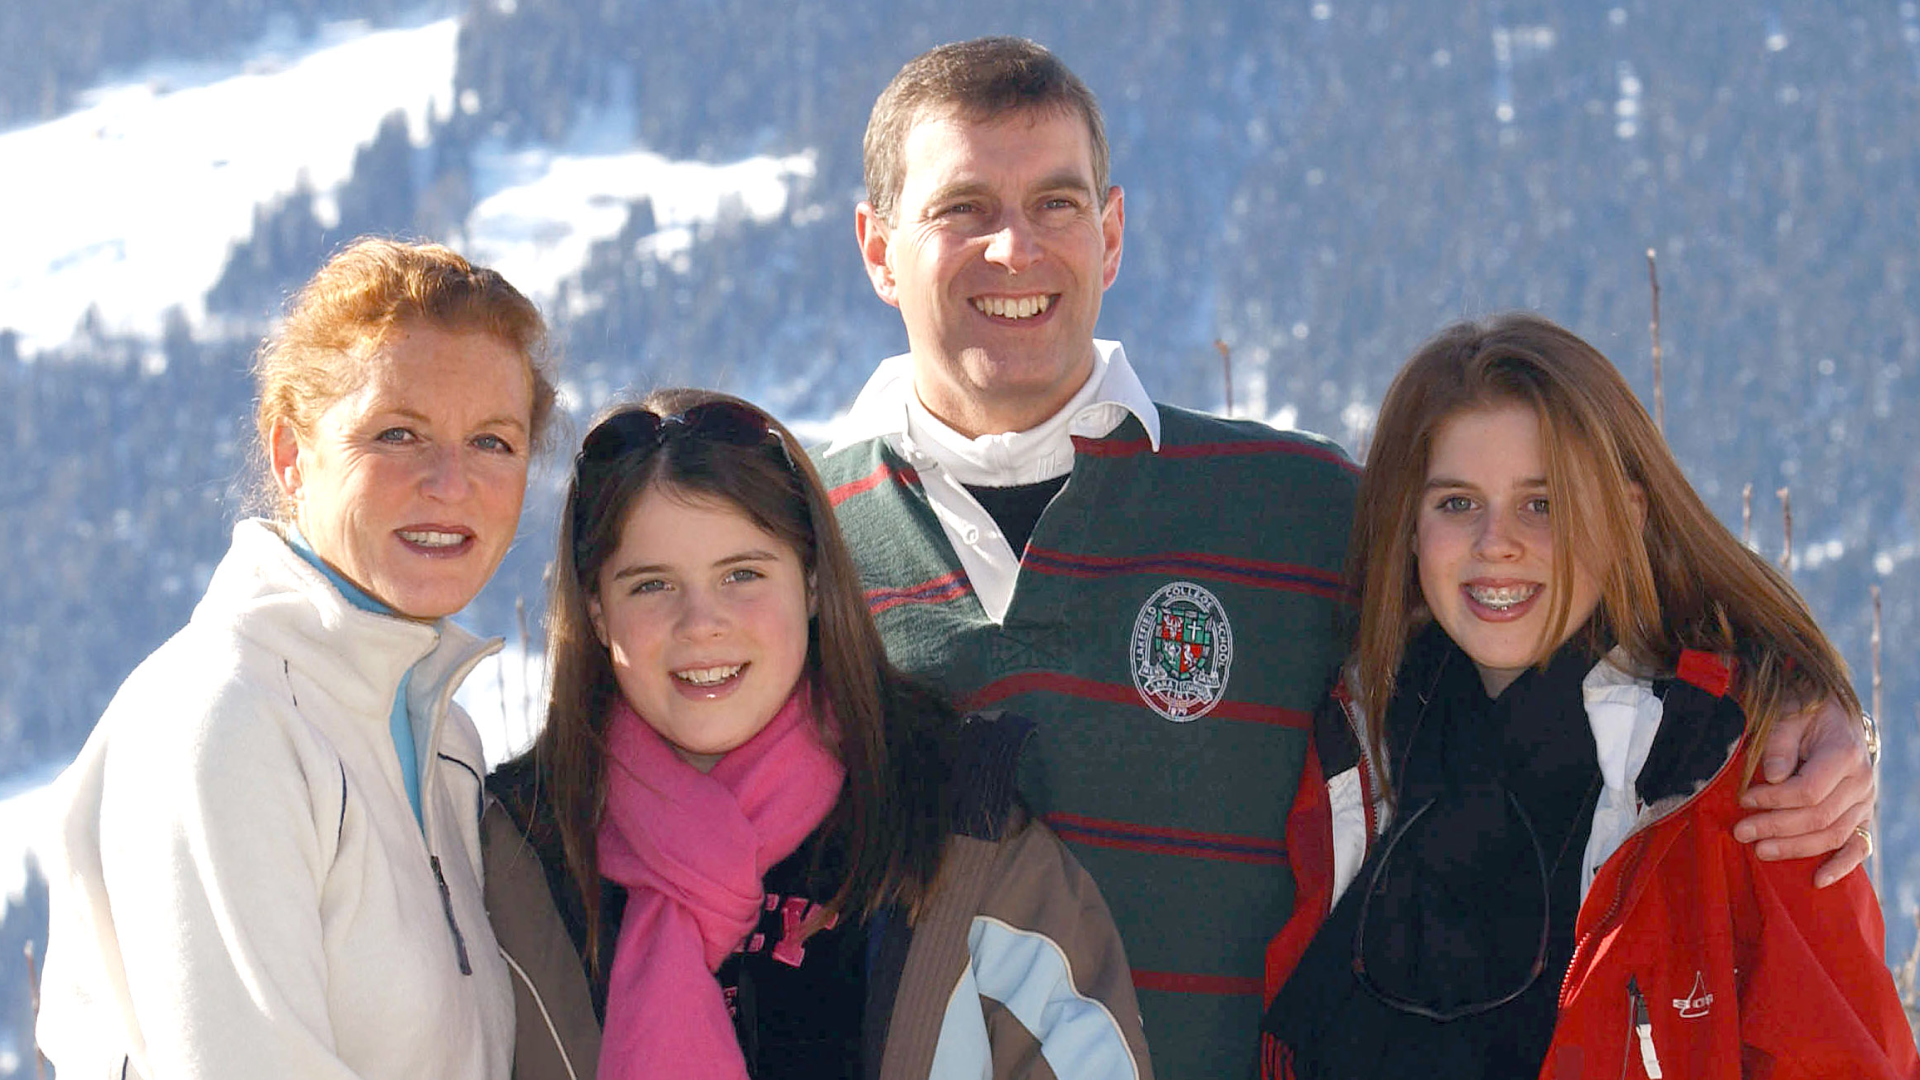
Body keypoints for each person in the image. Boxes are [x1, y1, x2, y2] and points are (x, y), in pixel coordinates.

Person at [816, 36, 1881, 1078]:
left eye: (1056, 201)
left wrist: (1797, 699)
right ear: (875, 246)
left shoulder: (1296, 507)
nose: (1016, 248)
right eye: (964, 209)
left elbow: (1556, 600)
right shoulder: (793, 544)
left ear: (1113, 231)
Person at [1262, 313, 1917, 1078]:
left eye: (1543, 504)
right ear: (1408, 527)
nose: (1496, 542)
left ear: (1626, 518)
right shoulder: (1355, 749)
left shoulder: (1738, 776)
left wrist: (1805, 696)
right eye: (1456, 503)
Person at [482, 388, 1153, 1080]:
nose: (701, 623)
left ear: (810, 583)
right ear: (596, 612)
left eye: (742, 574)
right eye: (652, 585)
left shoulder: (957, 832)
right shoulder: (515, 855)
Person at [34, 239, 556, 1078]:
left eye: (493, 441)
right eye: (398, 433)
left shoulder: (438, 731)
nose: (451, 483)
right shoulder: (228, 716)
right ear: (290, 454)